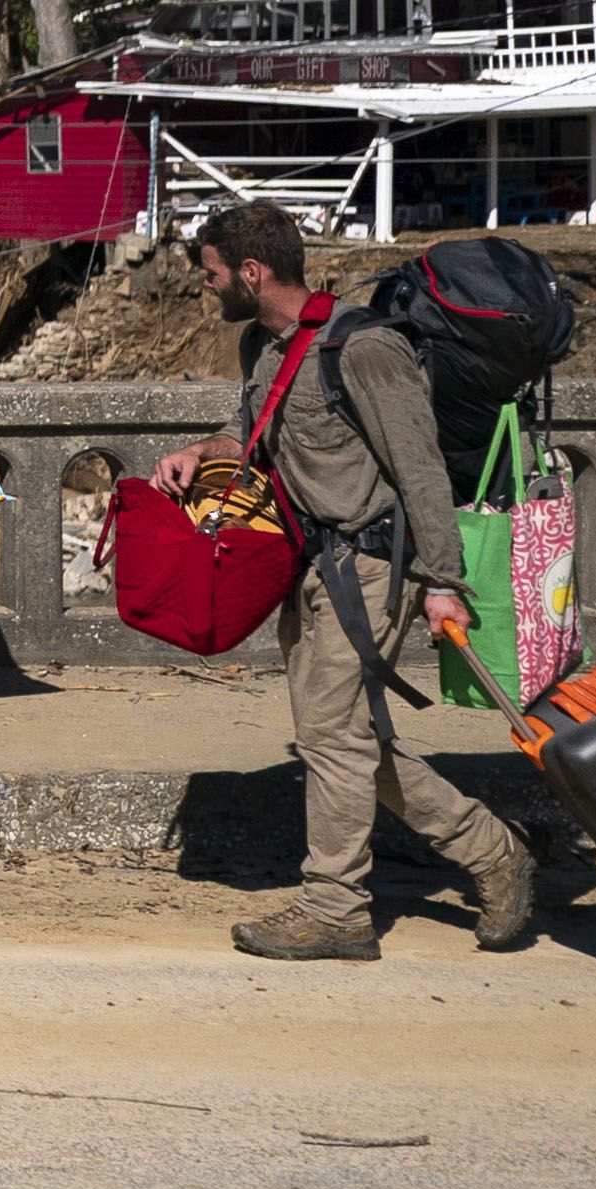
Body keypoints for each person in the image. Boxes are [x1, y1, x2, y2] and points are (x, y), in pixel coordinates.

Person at [154, 199, 537, 960]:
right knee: (342, 739)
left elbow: (420, 466)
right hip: (308, 567)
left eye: (213, 273)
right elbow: (257, 432)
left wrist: (442, 580)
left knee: (332, 735)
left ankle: (338, 908)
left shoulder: (364, 349)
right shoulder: (263, 349)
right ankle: (498, 853)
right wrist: (208, 448)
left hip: (370, 566)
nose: (206, 286)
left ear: (252, 272)